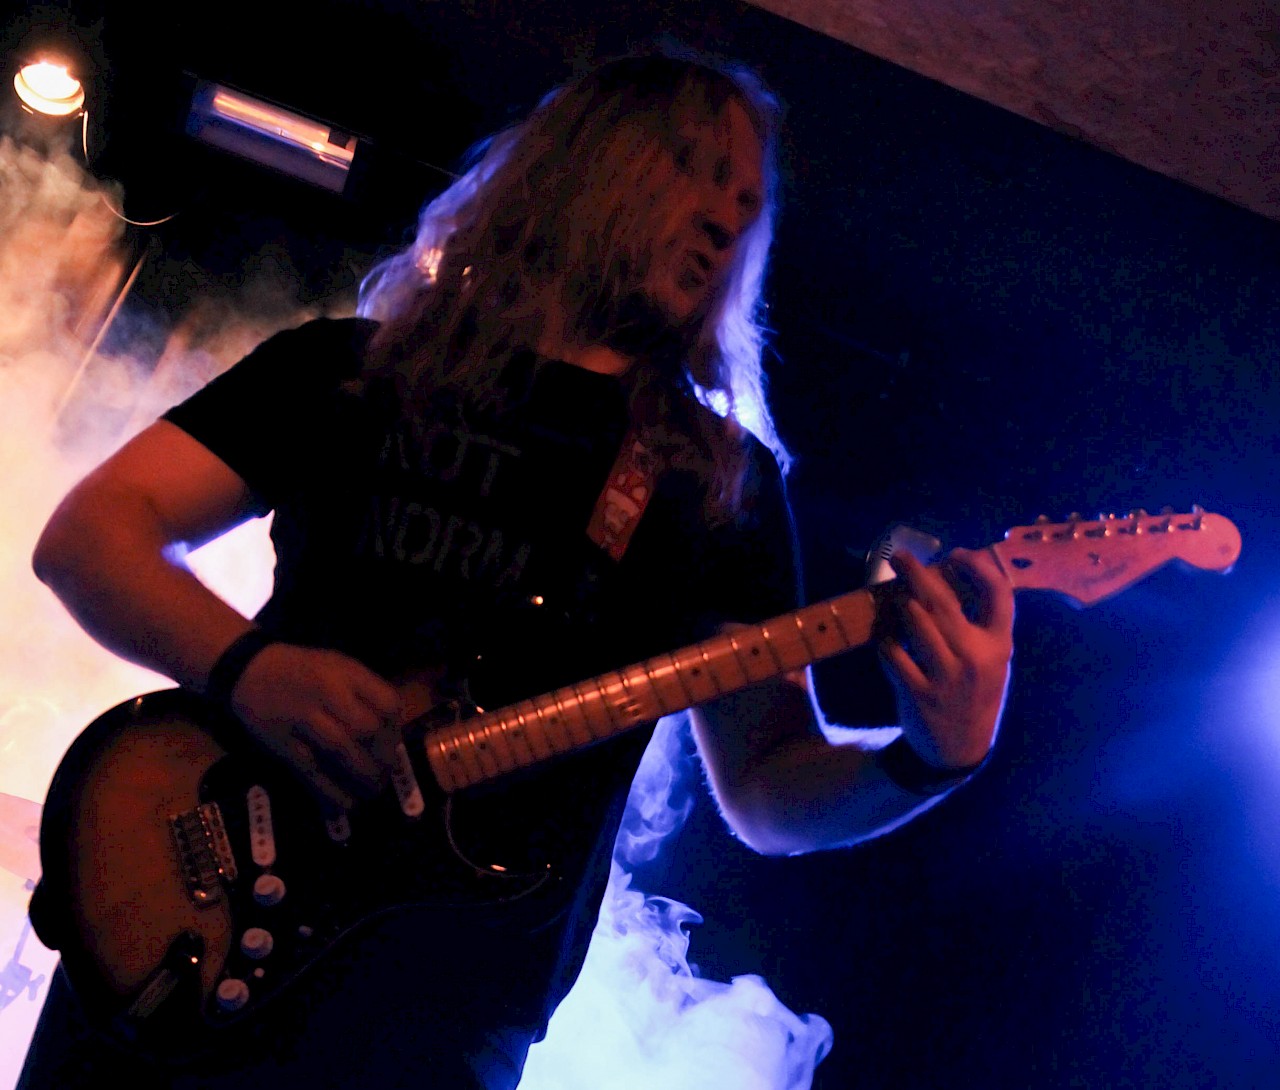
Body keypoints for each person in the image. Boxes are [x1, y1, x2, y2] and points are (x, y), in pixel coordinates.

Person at [18, 52, 1013, 1089]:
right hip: (188, 932)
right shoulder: (350, 372)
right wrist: (248, 669)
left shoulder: (716, 484)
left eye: (747, 205)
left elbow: (768, 791)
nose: (725, 220)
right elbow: (90, 536)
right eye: (695, 169)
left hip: (436, 1020)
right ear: (586, 163)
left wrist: (928, 759)